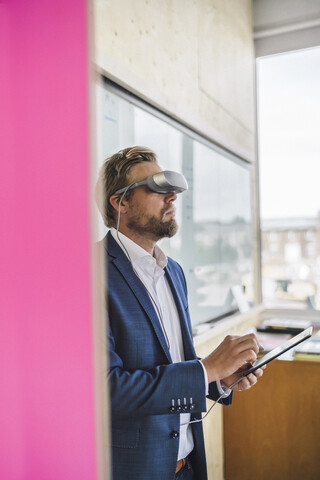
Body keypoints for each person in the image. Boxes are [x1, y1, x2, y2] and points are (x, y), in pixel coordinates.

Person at [95, 146, 265, 480]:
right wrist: (207, 367)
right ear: (120, 202)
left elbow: (176, 364)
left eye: (171, 188)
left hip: (188, 467)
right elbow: (104, 390)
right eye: (155, 187)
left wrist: (218, 379)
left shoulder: (173, 272)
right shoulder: (87, 273)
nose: (172, 195)